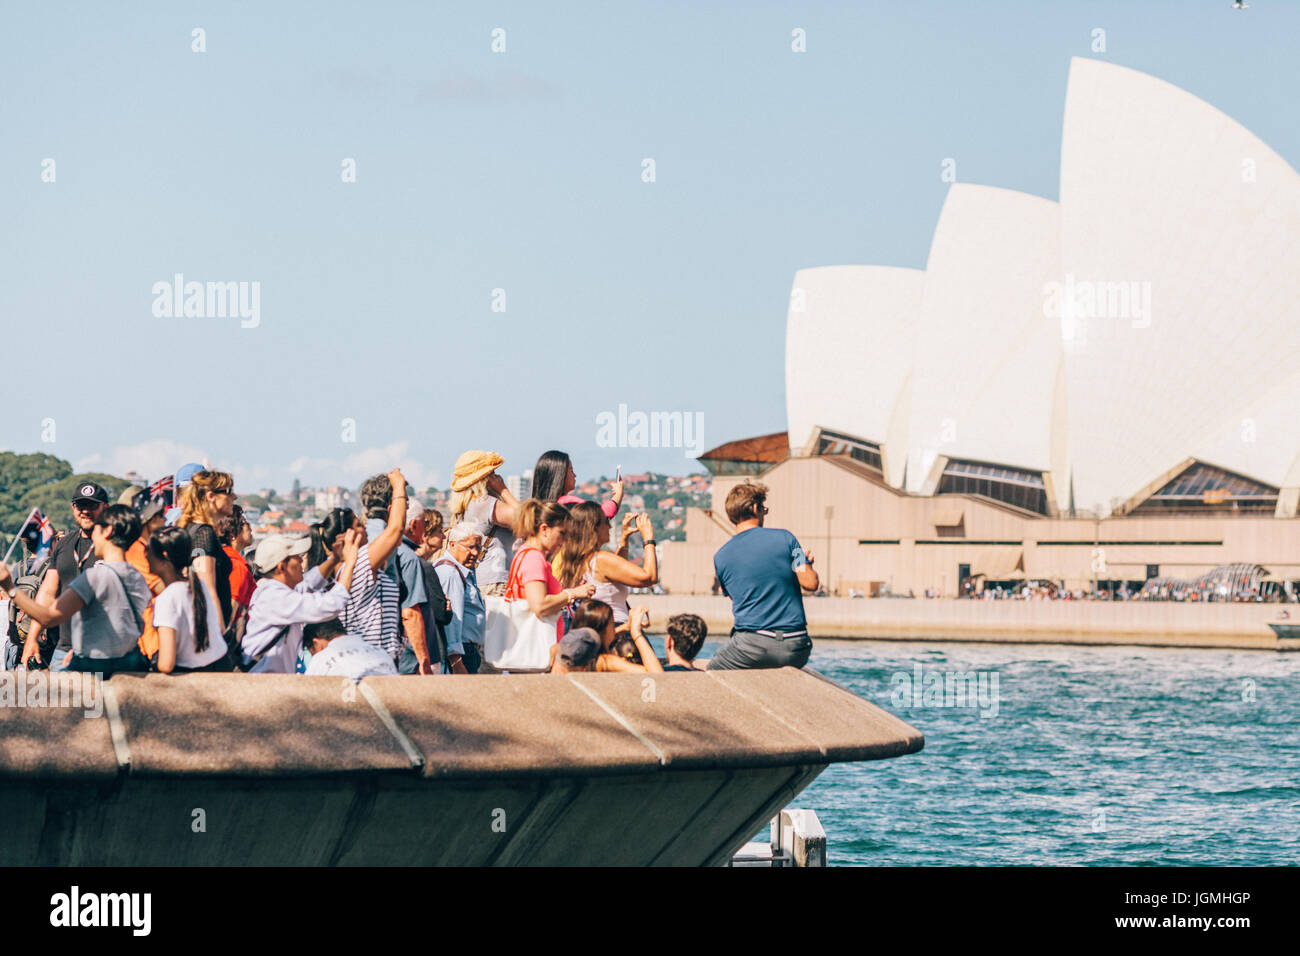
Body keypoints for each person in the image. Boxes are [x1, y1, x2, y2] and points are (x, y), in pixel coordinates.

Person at [1, 505, 151, 675]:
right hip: (128, 668)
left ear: (107, 531)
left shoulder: (93, 577)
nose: (93, 535)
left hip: (95, 672)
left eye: (96, 529)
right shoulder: (137, 577)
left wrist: (10, 588)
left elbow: (48, 617)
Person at [708, 480, 817, 671]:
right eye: (764, 509)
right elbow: (810, 583)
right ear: (755, 507)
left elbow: (738, 597)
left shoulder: (721, 557)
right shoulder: (787, 539)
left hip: (751, 647)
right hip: (797, 647)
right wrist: (806, 566)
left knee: (711, 672)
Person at [242, 530, 360, 673]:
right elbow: (331, 604)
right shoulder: (275, 598)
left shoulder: (275, 590)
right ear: (282, 567)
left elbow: (310, 582)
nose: (301, 560)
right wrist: (350, 563)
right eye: (296, 556)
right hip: (262, 685)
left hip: (269, 680)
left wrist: (335, 559)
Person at [21, 481, 110, 670]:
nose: (85, 511)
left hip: (103, 649)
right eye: (80, 505)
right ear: (73, 507)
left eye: (92, 505)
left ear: (105, 507)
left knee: (99, 700)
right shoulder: (64, 544)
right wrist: (32, 638)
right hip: (65, 646)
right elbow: (47, 593)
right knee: (54, 698)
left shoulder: (114, 544)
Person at [357, 471, 427, 669]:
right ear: (392, 508)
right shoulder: (382, 542)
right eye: (404, 507)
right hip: (374, 653)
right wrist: (424, 662)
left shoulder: (364, 538)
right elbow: (410, 612)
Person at [552, 501, 658, 625]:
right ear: (594, 527)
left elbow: (616, 573)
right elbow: (649, 577)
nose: (610, 526)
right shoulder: (600, 559)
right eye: (606, 521)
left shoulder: (578, 558)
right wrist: (648, 539)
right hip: (615, 628)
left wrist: (624, 538)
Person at [147, 526, 231, 673]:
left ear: (164, 557)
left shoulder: (167, 599)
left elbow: (166, 664)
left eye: (149, 551)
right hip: (220, 664)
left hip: (194, 676)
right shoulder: (200, 585)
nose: (146, 556)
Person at [509, 500, 594, 641]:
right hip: (536, 645)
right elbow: (540, 605)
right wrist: (572, 593)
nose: (566, 540)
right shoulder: (534, 557)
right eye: (562, 533)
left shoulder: (525, 553)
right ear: (544, 529)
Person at [175, 469, 238, 637]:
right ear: (211, 496)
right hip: (208, 633)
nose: (234, 497)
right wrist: (220, 634)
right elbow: (207, 588)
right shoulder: (204, 533)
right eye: (228, 492)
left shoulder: (191, 529)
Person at [394, 502, 455, 675]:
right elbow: (439, 613)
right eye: (438, 531)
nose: (443, 537)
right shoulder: (420, 565)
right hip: (425, 650)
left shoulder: (402, 557)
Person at [449, 450, 518, 597]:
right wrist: (503, 490)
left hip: (478, 578)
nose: (497, 477)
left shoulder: (466, 505)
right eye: (492, 473)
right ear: (484, 479)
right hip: (495, 581)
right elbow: (526, 518)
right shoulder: (484, 503)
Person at [434, 522, 487, 674]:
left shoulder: (461, 570)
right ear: (452, 545)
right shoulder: (450, 573)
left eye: (478, 547)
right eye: (470, 547)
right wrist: (457, 662)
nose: (475, 553)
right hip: (461, 653)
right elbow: (451, 621)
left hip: (466, 650)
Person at [567, 598, 662, 673]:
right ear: (603, 632)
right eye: (612, 625)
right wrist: (636, 633)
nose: (614, 630)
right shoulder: (606, 662)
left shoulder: (570, 652)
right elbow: (656, 675)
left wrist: (626, 627)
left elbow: (598, 636)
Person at [531, 450, 623, 519]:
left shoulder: (536, 510)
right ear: (560, 475)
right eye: (571, 470)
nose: (575, 475)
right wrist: (618, 494)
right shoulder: (568, 504)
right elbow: (600, 516)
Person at [303, 618, 398, 678]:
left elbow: (307, 697)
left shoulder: (321, 659)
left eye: (313, 653)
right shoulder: (381, 653)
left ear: (316, 643)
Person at [218, 505, 256, 645]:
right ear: (232, 535)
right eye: (246, 524)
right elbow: (231, 608)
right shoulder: (237, 566)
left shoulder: (224, 557)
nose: (250, 529)